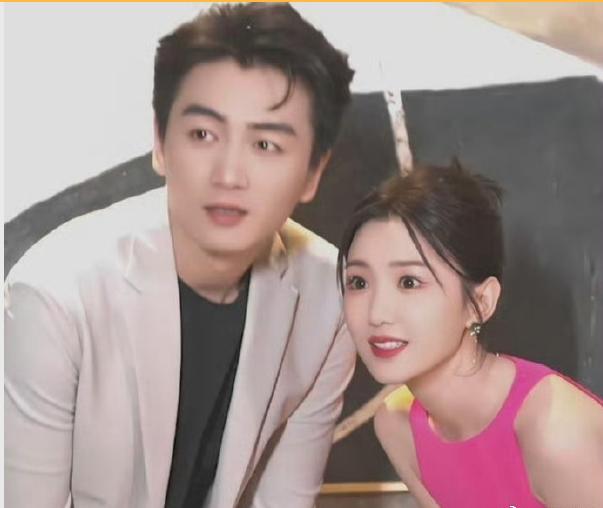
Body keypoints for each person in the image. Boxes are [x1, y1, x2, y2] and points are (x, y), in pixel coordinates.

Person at [4, 4, 356, 507]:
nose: (229, 174)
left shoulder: (329, 300)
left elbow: (283, 500)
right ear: (160, 142)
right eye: (203, 135)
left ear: (314, 172)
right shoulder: (55, 297)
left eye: (265, 144)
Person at [338, 162, 603, 508]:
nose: (376, 313)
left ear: (480, 302)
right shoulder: (397, 426)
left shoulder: (555, 430)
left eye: (409, 282)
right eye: (358, 282)